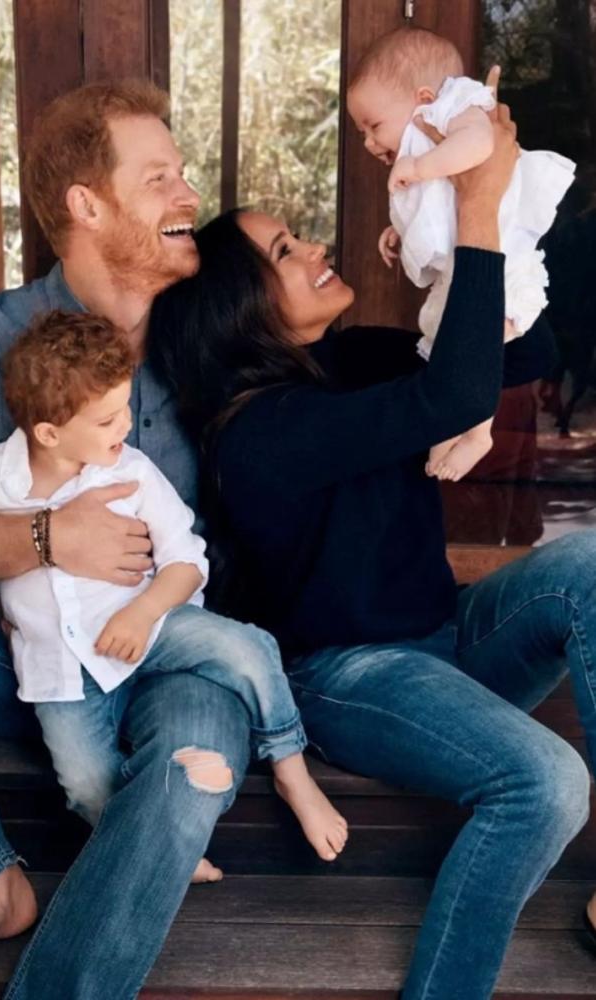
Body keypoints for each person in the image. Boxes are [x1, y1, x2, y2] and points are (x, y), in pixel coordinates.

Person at [148, 97, 594, 1000]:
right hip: (353, 677)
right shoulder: (259, 433)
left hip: (447, 639)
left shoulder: (352, 361)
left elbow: (524, 352)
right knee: (544, 783)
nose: (314, 247)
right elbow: (449, 400)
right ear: (241, 307)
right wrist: (472, 199)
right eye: (284, 251)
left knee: (589, 569)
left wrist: (454, 265)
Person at [0, 78, 259, 1000]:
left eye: (182, 173)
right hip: (32, 665)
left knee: (186, 773)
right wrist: (48, 538)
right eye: (158, 177)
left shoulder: (206, 342)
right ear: (87, 205)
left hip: (176, 656)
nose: (188, 196)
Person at [0, 309, 347, 856]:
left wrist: (142, 614)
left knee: (249, 649)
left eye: (125, 408)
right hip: (62, 670)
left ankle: (290, 768)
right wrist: (7, 615)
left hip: (155, 621)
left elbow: (188, 561)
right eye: (106, 420)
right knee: (84, 782)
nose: (124, 426)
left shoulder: (132, 472)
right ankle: (150, 847)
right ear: (48, 432)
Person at [347, 28, 574, 481]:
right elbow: (440, 208)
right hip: (468, 263)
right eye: (361, 133)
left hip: (503, 261)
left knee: (477, 343)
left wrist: (419, 166)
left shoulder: (459, 108)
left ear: (425, 98)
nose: (370, 143)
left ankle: (478, 431)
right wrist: (400, 230)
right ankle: (454, 423)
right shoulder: (427, 143)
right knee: (445, 341)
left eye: (374, 126)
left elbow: (480, 146)